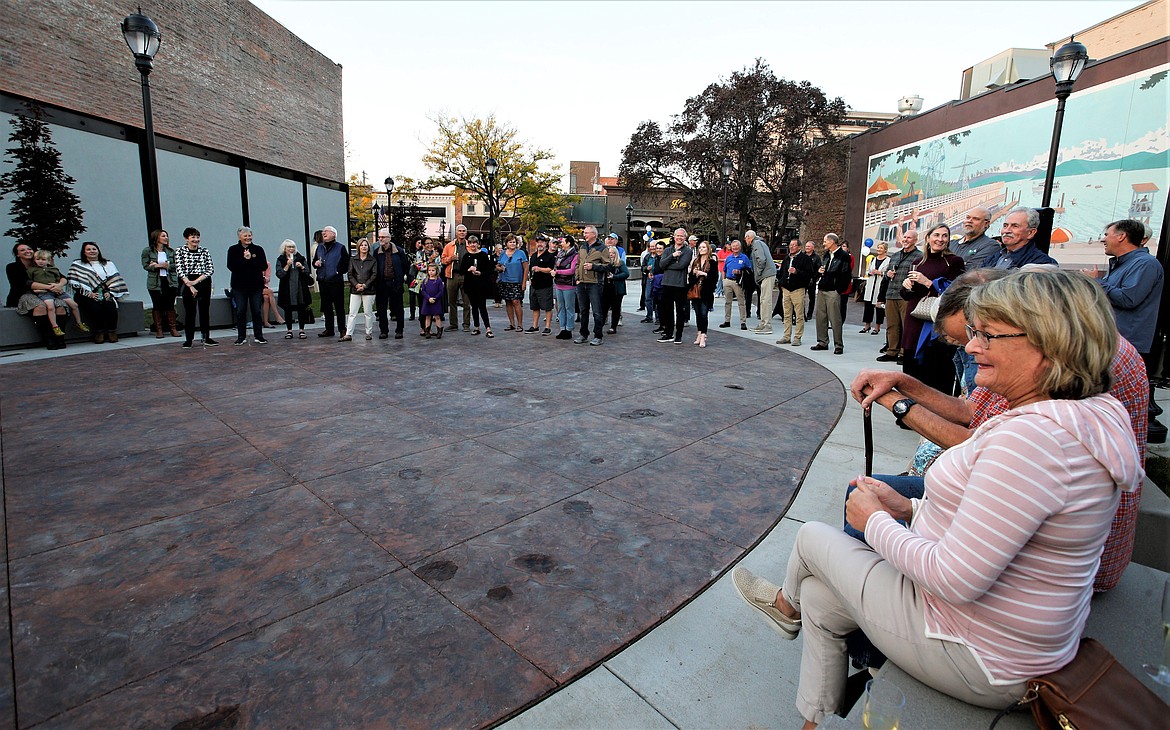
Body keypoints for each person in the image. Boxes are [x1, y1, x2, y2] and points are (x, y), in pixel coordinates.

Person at [734, 268, 1144, 728]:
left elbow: (955, 579)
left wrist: (874, 521)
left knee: (811, 538)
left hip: (982, 653)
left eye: (986, 335)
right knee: (820, 597)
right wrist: (910, 507)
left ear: (1046, 346)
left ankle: (786, 608)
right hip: (1010, 637)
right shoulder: (1081, 415)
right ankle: (812, 718)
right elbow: (1001, 523)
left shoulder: (1034, 440)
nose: (972, 347)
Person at [1090, 218, 1166, 441]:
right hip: (1112, 341)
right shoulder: (1124, 263)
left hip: (1128, 344)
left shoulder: (1146, 264)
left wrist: (1098, 282)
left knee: (1118, 408)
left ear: (1121, 236)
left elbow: (1129, 298)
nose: (1103, 239)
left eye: (1107, 234)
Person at [900, 224, 965, 390]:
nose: (940, 239)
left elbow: (955, 294)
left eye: (944, 236)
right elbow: (907, 295)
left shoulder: (954, 262)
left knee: (935, 375)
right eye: (936, 235)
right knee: (910, 372)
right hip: (914, 321)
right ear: (928, 238)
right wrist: (906, 286)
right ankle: (907, 411)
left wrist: (927, 282)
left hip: (935, 325)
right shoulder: (918, 261)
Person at [7, 243, 68, 349]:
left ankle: (59, 338)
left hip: (48, 293)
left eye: (29, 248)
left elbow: (62, 277)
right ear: (17, 254)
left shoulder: (42, 264)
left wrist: (59, 285)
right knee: (40, 306)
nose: (27, 251)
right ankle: (48, 339)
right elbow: (26, 283)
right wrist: (49, 287)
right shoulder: (13, 267)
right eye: (22, 250)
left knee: (60, 306)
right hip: (25, 294)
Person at [66, 242, 129, 343]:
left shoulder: (109, 264)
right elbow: (74, 283)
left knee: (110, 307)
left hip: (105, 291)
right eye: (88, 249)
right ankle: (99, 332)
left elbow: (116, 280)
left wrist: (110, 292)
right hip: (84, 294)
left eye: (94, 249)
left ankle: (111, 331)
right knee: (95, 308)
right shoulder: (77, 264)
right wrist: (89, 294)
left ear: (98, 251)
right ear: (84, 252)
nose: (92, 251)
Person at [876, 228, 921, 363]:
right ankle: (891, 351)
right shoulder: (895, 255)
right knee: (892, 325)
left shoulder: (919, 256)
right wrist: (887, 274)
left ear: (915, 240)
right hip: (891, 293)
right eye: (904, 237)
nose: (905, 240)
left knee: (906, 325)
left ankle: (904, 353)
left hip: (906, 296)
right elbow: (886, 274)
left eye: (909, 238)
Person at [174, 227, 218, 348]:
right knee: (190, 312)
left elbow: (210, 269)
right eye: (193, 237)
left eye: (197, 237)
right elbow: (180, 269)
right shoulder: (180, 251)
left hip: (203, 281)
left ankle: (206, 337)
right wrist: (190, 284)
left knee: (204, 311)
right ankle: (189, 339)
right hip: (187, 280)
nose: (196, 240)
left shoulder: (204, 251)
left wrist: (196, 282)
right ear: (186, 238)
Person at [226, 226, 269, 345]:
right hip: (239, 286)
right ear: (240, 237)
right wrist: (244, 260)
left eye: (249, 235)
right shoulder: (233, 250)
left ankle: (259, 336)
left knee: (256, 310)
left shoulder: (258, 249)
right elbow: (231, 266)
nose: (248, 238)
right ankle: (241, 336)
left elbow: (263, 266)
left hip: (255, 285)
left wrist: (251, 259)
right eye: (245, 236)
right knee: (241, 311)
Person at [809, 234, 851, 354]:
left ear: (832, 241)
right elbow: (824, 269)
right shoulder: (827, 255)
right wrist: (820, 272)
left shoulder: (844, 256)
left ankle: (838, 344)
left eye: (825, 241)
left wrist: (839, 289)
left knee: (835, 318)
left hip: (833, 290)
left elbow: (846, 275)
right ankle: (822, 342)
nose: (824, 243)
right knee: (821, 317)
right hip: (822, 288)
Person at [28, 250, 84, 336]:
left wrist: (58, 285)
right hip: (45, 292)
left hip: (57, 291)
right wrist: (37, 290)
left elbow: (59, 279)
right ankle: (55, 326)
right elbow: (30, 282)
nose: (40, 261)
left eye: (43, 259)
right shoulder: (32, 270)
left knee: (74, 305)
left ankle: (79, 322)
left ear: (49, 260)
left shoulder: (53, 269)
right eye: (38, 259)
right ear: (34, 260)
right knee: (50, 307)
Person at [984, 207, 1057, 269]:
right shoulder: (992, 258)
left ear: (1031, 233)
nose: (1007, 231)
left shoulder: (1041, 264)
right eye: (1005, 226)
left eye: (1015, 226)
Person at [575, 225, 612, 346]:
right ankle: (583, 334)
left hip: (595, 284)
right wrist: (577, 278)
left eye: (586, 233)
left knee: (597, 311)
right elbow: (578, 263)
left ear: (593, 235)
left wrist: (594, 267)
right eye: (584, 233)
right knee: (583, 310)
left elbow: (609, 266)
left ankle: (598, 336)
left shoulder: (602, 248)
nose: (584, 235)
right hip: (582, 283)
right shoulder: (583, 246)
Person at [656, 228, 693, 345]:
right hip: (667, 283)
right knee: (667, 310)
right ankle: (668, 333)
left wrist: (668, 264)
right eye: (677, 236)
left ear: (685, 238)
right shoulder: (668, 250)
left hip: (680, 284)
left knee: (680, 311)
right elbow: (661, 265)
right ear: (674, 236)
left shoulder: (687, 251)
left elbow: (682, 265)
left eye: (682, 236)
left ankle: (679, 335)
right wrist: (672, 256)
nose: (679, 238)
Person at [777, 239, 816, 347]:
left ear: (799, 247)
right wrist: (781, 284)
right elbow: (781, 272)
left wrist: (797, 272)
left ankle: (797, 337)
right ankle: (786, 336)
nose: (791, 247)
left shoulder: (805, 259)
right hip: (786, 289)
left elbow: (810, 274)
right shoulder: (786, 258)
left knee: (799, 315)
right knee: (787, 314)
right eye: (790, 245)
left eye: (794, 245)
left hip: (798, 289)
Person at [312, 225, 349, 338]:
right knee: (326, 307)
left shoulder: (340, 247)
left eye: (326, 231)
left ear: (333, 234)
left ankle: (342, 329)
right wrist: (316, 264)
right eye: (323, 231)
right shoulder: (319, 248)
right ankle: (329, 329)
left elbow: (346, 264)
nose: (324, 233)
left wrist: (338, 272)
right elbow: (314, 262)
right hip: (323, 280)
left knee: (339, 306)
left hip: (335, 281)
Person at [373, 228, 410, 340]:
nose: (381, 239)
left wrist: (400, 280)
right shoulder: (377, 252)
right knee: (381, 309)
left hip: (395, 283)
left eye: (383, 237)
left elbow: (405, 266)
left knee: (398, 308)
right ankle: (383, 330)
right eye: (379, 237)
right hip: (382, 284)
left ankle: (399, 330)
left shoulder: (398, 251)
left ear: (389, 238)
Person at [141, 229, 178, 338]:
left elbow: (177, 265)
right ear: (156, 237)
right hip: (155, 281)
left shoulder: (171, 251)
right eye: (163, 236)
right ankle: (159, 329)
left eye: (166, 236)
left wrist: (168, 266)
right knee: (157, 305)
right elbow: (145, 265)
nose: (166, 238)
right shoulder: (148, 251)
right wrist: (156, 266)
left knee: (170, 304)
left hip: (170, 280)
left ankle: (173, 328)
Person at [274, 239, 312, 339]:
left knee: (301, 307)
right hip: (287, 287)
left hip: (300, 286)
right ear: (284, 249)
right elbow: (279, 274)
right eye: (289, 247)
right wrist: (287, 265)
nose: (291, 249)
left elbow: (308, 272)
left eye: (293, 247)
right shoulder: (281, 259)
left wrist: (302, 267)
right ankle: (289, 330)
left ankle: (302, 330)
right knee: (288, 308)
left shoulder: (300, 258)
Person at [341, 238, 377, 341]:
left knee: (368, 312)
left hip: (369, 290)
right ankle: (349, 333)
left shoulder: (372, 260)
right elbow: (350, 274)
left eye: (366, 245)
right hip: (355, 290)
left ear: (368, 247)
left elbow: (374, 274)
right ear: (358, 247)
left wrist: (365, 285)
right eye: (362, 245)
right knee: (352, 312)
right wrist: (356, 285)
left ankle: (368, 332)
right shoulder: (353, 259)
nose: (364, 247)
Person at [460, 235, 495, 337]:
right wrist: (468, 269)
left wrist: (480, 273)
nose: (473, 245)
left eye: (474, 243)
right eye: (470, 243)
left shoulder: (483, 255)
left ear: (478, 244)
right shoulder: (466, 256)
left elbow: (489, 270)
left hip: (481, 285)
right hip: (470, 285)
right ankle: (476, 327)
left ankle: (488, 328)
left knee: (482, 306)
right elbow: (462, 270)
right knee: (474, 306)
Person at [688, 240, 718, 347]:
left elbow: (714, 278)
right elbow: (690, 278)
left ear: (708, 249)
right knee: (697, 314)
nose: (701, 249)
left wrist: (704, 273)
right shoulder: (695, 261)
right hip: (696, 291)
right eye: (700, 247)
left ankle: (703, 336)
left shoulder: (712, 262)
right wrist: (694, 273)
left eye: (704, 247)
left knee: (704, 314)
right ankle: (699, 333)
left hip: (706, 292)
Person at [496, 234, 528, 331]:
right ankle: (512, 323)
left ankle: (520, 324)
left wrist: (524, 283)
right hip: (504, 280)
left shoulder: (521, 253)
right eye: (510, 242)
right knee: (508, 302)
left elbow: (526, 268)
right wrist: (500, 268)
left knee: (516, 301)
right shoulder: (503, 253)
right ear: (506, 243)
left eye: (514, 242)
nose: (512, 244)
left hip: (517, 281)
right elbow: (497, 265)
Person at [442, 225, 471, 332]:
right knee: (452, 301)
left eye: (464, 231)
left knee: (466, 301)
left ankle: (466, 324)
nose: (462, 233)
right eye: (460, 231)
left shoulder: (470, 246)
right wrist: (450, 258)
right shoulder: (449, 246)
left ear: (466, 233)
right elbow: (443, 260)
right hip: (452, 275)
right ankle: (453, 324)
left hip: (466, 276)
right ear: (456, 233)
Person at [525, 235, 556, 335]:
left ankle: (547, 327)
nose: (540, 244)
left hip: (545, 285)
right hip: (534, 285)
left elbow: (551, 269)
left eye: (542, 242)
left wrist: (540, 269)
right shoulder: (533, 256)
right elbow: (530, 268)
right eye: (538, 242)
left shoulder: (549, 256)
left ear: (546, 244)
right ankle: (535, 326)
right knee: (535, 307)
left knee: (547, 307)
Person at [748, 231, 777, 334]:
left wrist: (759, 273)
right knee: (763, 300)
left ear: (749, 237)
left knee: (765, 300)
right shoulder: (761, 243)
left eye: (745, 238)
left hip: (766, 274)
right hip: (767, 274)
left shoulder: (756, 243)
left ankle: (767, 325)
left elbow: (761, 260)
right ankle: (763, 323)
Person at [859, 241, 890, 337]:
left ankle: (877, 327)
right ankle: (867, 326)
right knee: (868, 306)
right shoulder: (873, 259)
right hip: (871, 284)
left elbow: (889, 273)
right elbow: (867, 271)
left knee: (879, 307)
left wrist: (880, 273)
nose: (879, 249)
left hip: (880, 285)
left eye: (881, 248)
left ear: (885, 250)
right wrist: (870, 272)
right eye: (878, 247)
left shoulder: (888, 260)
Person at [719, 239, 751, 331]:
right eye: (733, 246)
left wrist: (740, 272)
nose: (735, 248)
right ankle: (727, 320)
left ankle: (743, 322)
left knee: (741, 302)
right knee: (727, 302)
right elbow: (724, 270)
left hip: (738, 282)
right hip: (728, 281)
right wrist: (724, 280)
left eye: (737, 246)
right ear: (731, 248)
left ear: (740, 247)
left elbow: (749, 270)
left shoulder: (744, 258)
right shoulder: (729, 258)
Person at [602, 240, 630, 335]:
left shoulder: (620, 263)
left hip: (617, 290)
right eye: (609, 253)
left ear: (616, 254)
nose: (611, 255)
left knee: (616, 308)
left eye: (612, 253)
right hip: (606, 289)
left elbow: (626, 274)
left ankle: (613, 327)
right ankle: (600, 325)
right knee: (603, 308)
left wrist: (614, 277)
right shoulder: (605, 264)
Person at [552, 235, 578, 340]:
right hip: (559, 284)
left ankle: (569, 329)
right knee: (561, 307)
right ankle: (562, 328)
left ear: (568, 243)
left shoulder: (575, 255)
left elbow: (571, 270)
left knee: (569, 307)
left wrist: (558, 272)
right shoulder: (560, 254)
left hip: (569, 285)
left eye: (563, 242)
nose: (561, 243)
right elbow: (556, 265)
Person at [419, 263, 445, 338]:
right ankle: (427, 331)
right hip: (427, 301)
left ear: (436, 271)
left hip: (436, 301)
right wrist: (428, 298)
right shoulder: (425, 280)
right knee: (428, 316)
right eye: (429, 270)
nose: (431, 272)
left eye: (433, 270)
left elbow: (441, 291)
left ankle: (439, 330)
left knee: (437, 316)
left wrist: (435, 298)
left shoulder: (438, 280)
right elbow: (423, 291)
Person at [259, 258, 284, 329]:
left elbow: (267, 278)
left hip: (263, 285)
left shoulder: (267, 264)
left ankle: (266, 322)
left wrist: (265, 278)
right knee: (270, 292)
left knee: (266, 298)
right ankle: (277, 315)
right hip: (254, 287)